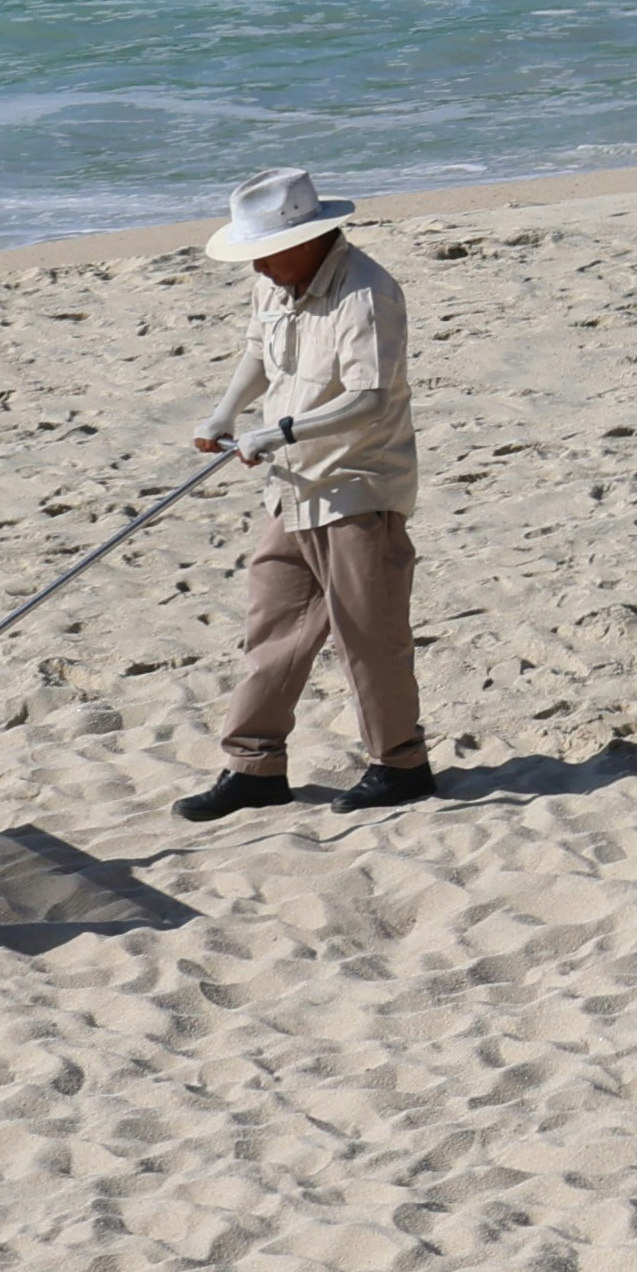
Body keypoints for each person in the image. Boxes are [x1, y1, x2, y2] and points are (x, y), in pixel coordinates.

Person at [178, 173, 430, 818]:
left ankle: (401, 766)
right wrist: (224, 415)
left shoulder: (367, 293)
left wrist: (281, 430)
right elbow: (258, 354)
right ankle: (255, 766)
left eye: (266, 250)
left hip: (356, 484)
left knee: (367, 634)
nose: (258, 264)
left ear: (310, 238)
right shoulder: (273, 281)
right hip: (291, 485)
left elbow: (370, 397)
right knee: (273, 624)